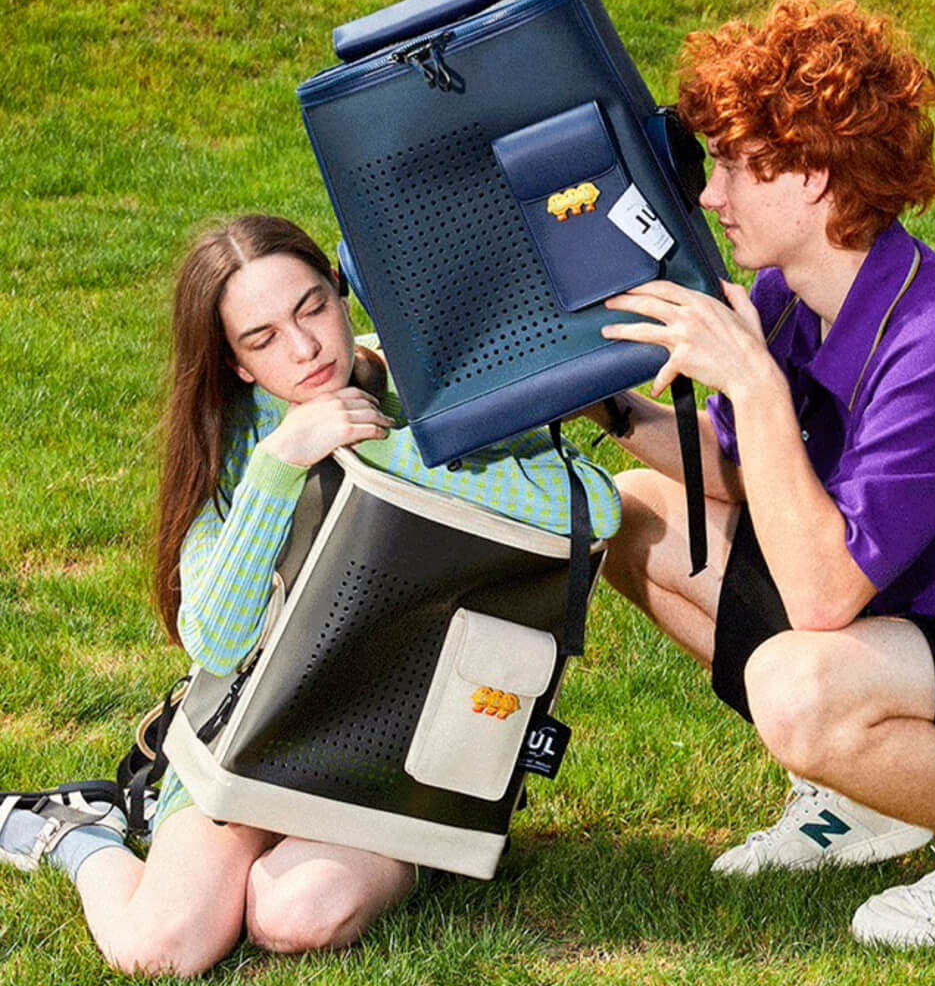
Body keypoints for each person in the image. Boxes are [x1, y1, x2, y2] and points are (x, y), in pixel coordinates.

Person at [586, 0, 935, 947]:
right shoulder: (788, 295)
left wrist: (752, 381)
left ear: (813, 176)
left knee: (797, 685)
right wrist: (608, 407)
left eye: (735, 167)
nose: (710, 197)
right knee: (635, 514)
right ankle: (872, 802)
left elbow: (819, 600)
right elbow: (735, 474)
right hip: (911, 621)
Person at [0, 215, 619, 976]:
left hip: (401, 756)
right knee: (160, 950)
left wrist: (378, 444)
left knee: (293, 915)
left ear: (340, 289)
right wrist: (281, 461)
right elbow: (216, 641)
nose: (304, 349)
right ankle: (76, 837)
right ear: (236, 365)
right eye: (261, 340)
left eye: (312, 308)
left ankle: (413, 851)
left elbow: (595, 507)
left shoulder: (430, 382)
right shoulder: (234, 443)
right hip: (255, 739)